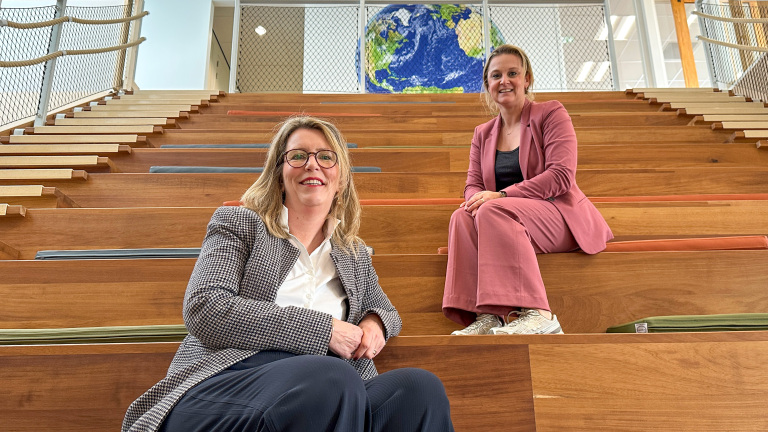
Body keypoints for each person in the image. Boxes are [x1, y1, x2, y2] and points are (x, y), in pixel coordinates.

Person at [122, 116, 454, 432]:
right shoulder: (239, 224)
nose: (313, 164)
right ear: (280, 174)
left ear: (341, 180)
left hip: (333, 394)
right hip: (229, 382)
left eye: (326, 157)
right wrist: (324, 332)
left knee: (419, 390)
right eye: (298, 156)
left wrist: (374, 323)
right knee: (331, 378)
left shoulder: (353, 254)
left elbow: (386, 310)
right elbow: (205, 308)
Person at [442, 44, 613, 336]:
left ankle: (540, 315)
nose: (504, 81)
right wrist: (474, 201)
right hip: (504, 218)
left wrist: (501, 196)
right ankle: (487, 316)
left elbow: (561, 176)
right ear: (487, 84)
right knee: (461, 217)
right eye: (496, 75)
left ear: (527, 79)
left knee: (493, 209)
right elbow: (473, 184)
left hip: (559, 215)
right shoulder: (482, 133)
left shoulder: (550, 114)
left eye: (513, 73)